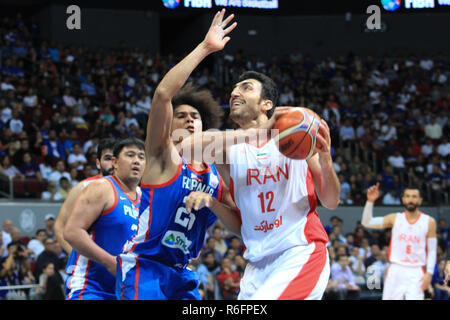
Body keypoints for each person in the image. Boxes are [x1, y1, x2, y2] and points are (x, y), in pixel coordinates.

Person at [116, 10, 241, 300]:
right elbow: (162, 95)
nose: (188, 119)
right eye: (181, 115)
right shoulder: (163, 156)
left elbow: (239, 227)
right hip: (145, 268)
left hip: (183, 272)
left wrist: (213, 202)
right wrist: (206, 48)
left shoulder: (216, 175)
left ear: (203, 126)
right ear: (168, 128)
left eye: (195, 116)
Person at [182, 75, 340, 299]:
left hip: (299, 252)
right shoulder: (228, 146)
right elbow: (187, 147)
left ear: (267, 104)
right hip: (257, 265)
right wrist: (212, 203)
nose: (235, 93)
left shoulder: (297, 137)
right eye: (234, 90)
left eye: (246, 88)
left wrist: (326, 161)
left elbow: (331, 201)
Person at [63, 137, 145, 300]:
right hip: (91, 288)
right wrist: (110, 262)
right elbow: (71, 232)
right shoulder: (101, 187)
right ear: (114, 162)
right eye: (130, 155)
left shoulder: (145, 198)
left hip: (126, 290)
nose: (136, 161)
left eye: (141, 157)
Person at [361, 183, 437, 300]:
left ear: (420, 200)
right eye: (407, 196)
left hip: (416, 270)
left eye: (414, 196)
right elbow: (367, 222)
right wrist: (370, 201)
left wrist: (429, 273)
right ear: (403, 199)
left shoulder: (429, 221)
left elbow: (432, 250)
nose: (410, 199)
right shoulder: (395, 218)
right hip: (396, 269)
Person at [54, 138, 115, 255]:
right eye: (107, 158)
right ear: (98, 163)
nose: (112, 164)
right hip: (89, 266)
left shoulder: (131, 191)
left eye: (115, 159)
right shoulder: (82, 187)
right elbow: (60, 228)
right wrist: (76, 257)